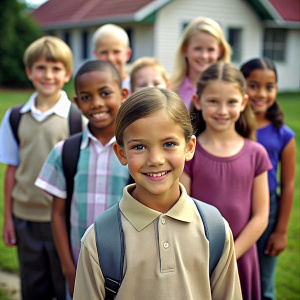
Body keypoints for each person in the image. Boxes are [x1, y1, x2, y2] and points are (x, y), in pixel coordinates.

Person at [73, 87, 243, 300]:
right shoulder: (99, 239)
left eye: (169, 144)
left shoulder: (215, 229)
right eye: (139, 146)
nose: (155, 159)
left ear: (189, 147)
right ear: (121, 153)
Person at [35, 60, 130, 297]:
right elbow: (57, 213)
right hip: (81, 270)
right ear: (77, 103)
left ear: (124, 94)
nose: (96, 103)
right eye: (86, 97)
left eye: (105, 93)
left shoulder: (135, 151)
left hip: (130, 270)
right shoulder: (65, 151)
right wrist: (68, 268)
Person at [0, 36, 84, 300]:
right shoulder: (15, 117)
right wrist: (8, 218)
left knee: (66, 283)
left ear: (67, 73)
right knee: (33, 286)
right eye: (40, 68)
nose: (48, 75)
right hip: (25, 219)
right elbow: (12, 170)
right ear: (29, 72)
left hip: (63, 219)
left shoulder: (76, 118)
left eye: (56, 68)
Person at [180, 62, 272, 300]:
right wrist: (206, 257)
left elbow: (261, 216)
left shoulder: (256, 153)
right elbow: (184, 209)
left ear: (243, 103)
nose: (222, 110)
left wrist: (231, 254)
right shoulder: (190, 152)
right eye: (213, 101)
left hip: (242, 257)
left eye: (231, 102)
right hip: (199, 258)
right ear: (198, 101)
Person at [240, 58, 296, 300]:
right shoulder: (231, 127)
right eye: (253, 85)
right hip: (234, 206)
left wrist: (281, 230)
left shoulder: (283, 135)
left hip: (269, 210)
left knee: (263, 284)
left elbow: (289, 184)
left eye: (269, 86)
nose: (261, 93)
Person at [170, 16, 232, 109]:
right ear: (185, 49)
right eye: (198, 49)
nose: (204, 56)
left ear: (220, 51)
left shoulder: (231, 89)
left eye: (210, 49)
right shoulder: (171, 90)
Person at [92, 24, 132, 92]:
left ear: (127, 54)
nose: (110, 58)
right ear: (96, 55)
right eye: (104, 52)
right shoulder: (91, 88)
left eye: (116, 52)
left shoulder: (135, 88)